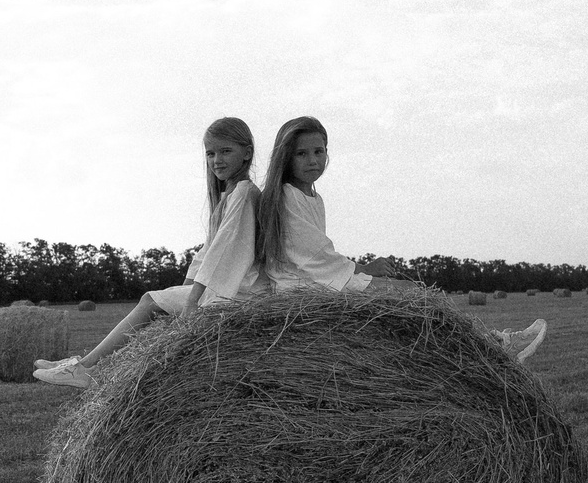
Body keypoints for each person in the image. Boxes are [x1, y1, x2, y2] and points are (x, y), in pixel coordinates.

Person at [254, 114, 547, 366]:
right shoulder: (286, 197)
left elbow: (316, 255)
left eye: (319, 151)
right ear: (286, 156)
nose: (313, 160)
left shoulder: (313, 198)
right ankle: (494, 349)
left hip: (320, 283)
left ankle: (489, 347)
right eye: (301, 154)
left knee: (423, 296)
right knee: (422, 296)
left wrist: (358, 269)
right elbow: (313, 256)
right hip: (305, 292)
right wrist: (364, 267)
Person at [35, 118, 258, 387]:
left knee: (150, 301)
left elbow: (225, 250)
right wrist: (182, 290)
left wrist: (190, 300)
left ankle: (87, 367)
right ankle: (92, 365)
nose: (216, 160)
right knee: (156, 301)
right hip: (225, 288)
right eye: (210, 153)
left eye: (225, 151)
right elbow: (208, 251)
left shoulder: (244, 193)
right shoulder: (229, 195)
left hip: (237, 291)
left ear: (247, 153)